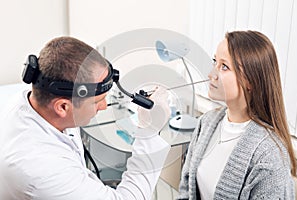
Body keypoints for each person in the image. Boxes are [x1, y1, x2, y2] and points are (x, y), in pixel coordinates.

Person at [0, 36, 171, 200]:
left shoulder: (31, 99)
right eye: (97, 101)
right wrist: (149, 132)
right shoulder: (43, 171)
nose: (104, 106)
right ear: (62, 107)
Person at [177, 30, 297, 199]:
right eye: (214, 62)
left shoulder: (269, 156)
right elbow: (185, 190)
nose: (211, 74)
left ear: (250, 81)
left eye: (224, 67)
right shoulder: (206, 123)